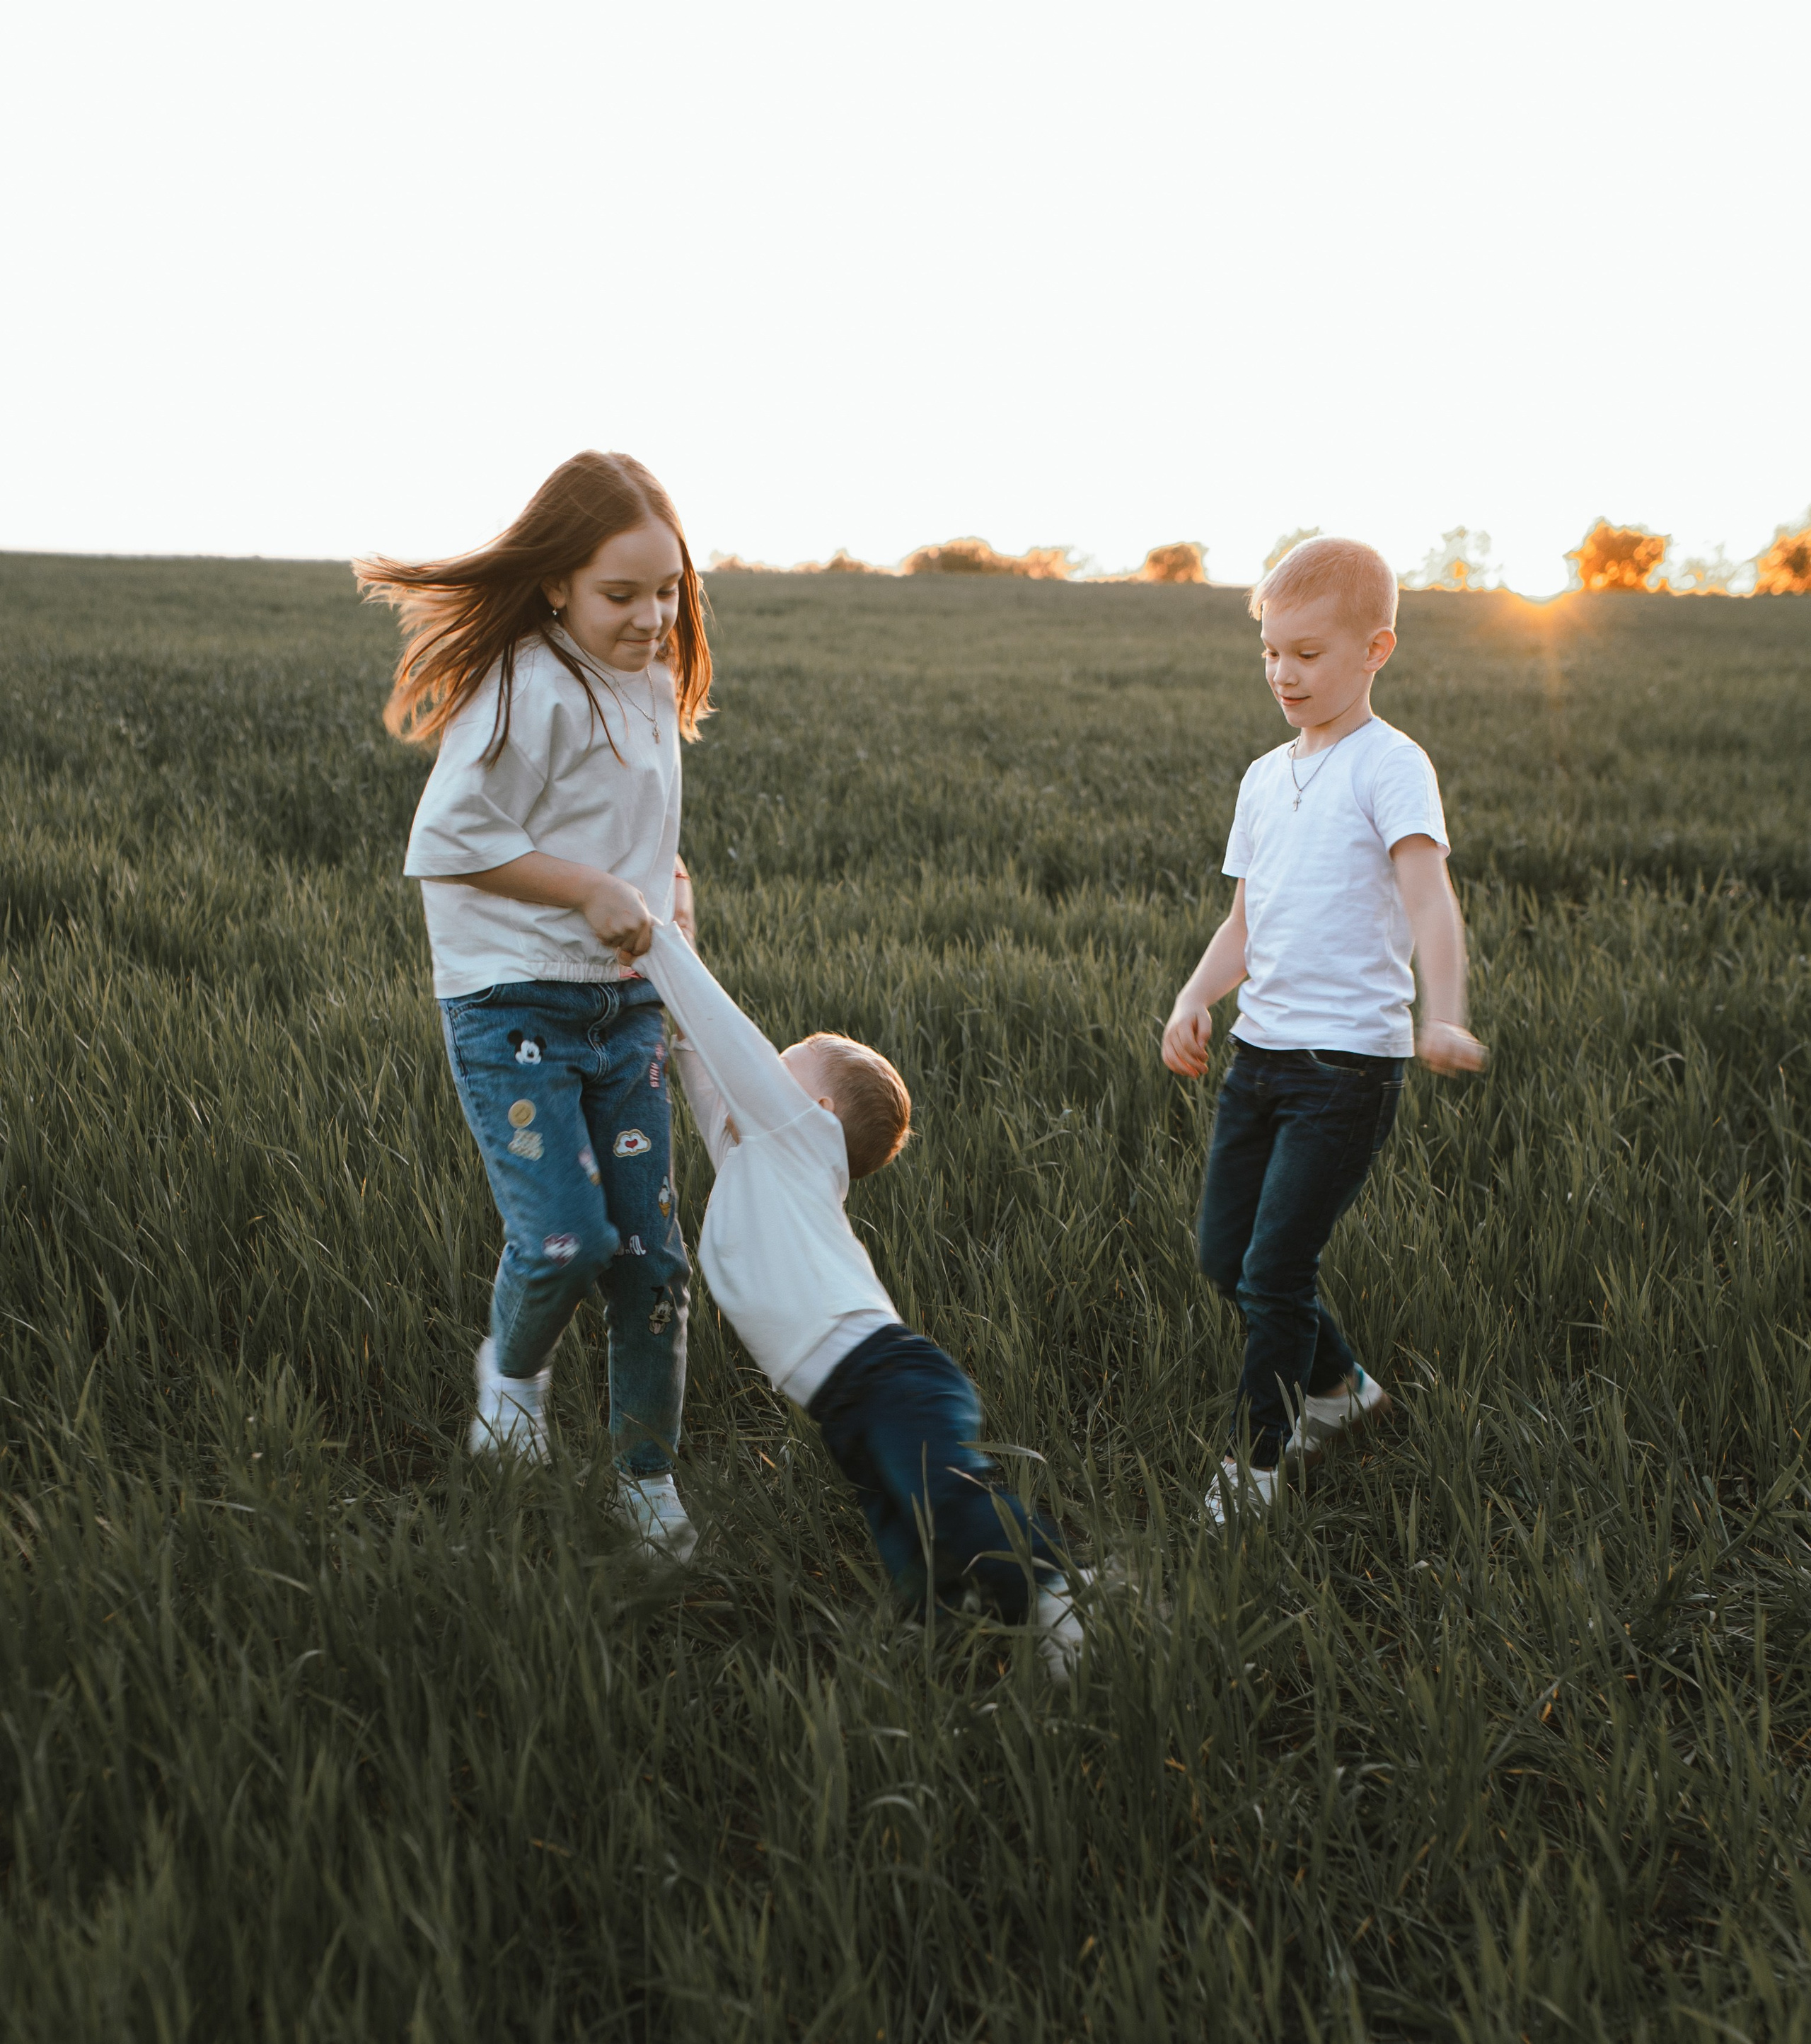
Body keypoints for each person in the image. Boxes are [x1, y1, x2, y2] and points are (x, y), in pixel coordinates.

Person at [356, 451, 708, 1560]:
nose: (652, 617)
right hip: (514, 1008)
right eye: (622, 593)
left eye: (669, 590)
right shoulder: (525, 686)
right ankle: (511, 1379)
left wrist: (667, 891)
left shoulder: (650, 681)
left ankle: (646, 1477)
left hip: (626, 1008)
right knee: (564, 1239)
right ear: (556, 583)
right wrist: (591, 891)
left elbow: (637, 828)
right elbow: (450, 841)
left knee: (652, 1261)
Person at [637, 918, 1087, 1683]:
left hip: (889, 1376)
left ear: (815, 1110)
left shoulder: (799, 1144)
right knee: (910, 1544)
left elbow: (730, 1043)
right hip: (844, 1401)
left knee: (945, 1499)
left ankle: (1061, 1589)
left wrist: (659, 944)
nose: (761, 1076)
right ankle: (960, 1638)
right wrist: (674, 954)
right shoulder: (754, 1158)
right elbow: (707, 1066)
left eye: (781, 1067)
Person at [1161, 536, 1486, 1523]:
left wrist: (1444, 1014)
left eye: (1307, 653)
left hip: (1347, 1069)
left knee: (1274, 1271)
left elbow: (1429, 901)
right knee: (1227, 1257)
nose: (1283, 673)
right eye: (1271, 652)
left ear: (1374, 650)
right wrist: (1193, 997)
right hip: (1257, 1058)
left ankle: (1258, 1464)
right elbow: (1245, 922)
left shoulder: (1391, 766)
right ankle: (1344, 1390)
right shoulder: (1265, 778)